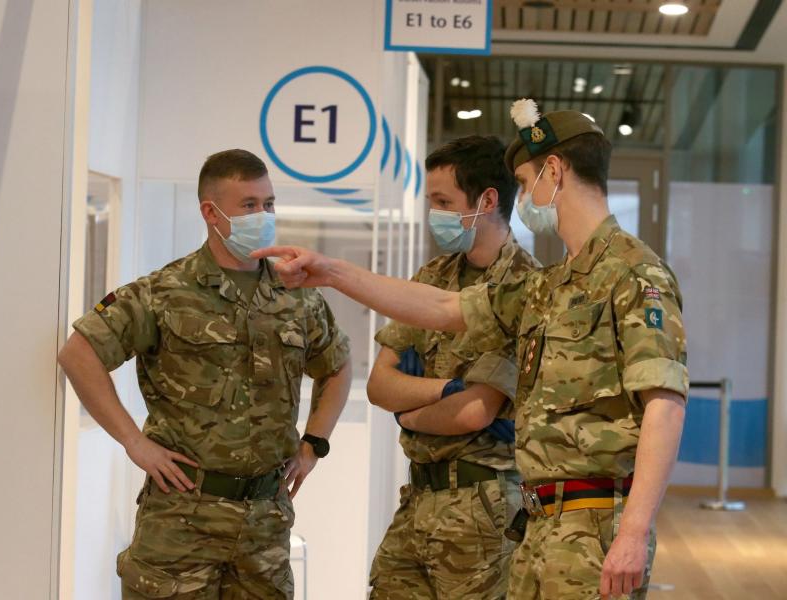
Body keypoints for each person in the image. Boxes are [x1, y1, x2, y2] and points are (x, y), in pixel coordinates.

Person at [253, 102, 687, 600]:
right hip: (539, 521)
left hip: (595, 524)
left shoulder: (634, 272)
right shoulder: (549, 287)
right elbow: (440, 306)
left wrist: (633, 531)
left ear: (554, 170)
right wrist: (329, 271)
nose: (522, 198)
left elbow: (664, 406)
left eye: (523, 184)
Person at [58, 149, 352, 599]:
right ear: (210, 213)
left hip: (264, 520)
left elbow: (337, 365)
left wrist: (314, 443)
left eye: (268, 203)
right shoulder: (164, 292)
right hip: (182, 518)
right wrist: (135, 443)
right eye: (249, 205)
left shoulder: (298, 296)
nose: (263, 215)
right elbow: (79, 354)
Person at [366, 136, 539, 599]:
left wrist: (410, 410)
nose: (434, 214)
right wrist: (449, 387)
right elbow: (379, 385)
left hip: (483, 509)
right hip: (419, 498)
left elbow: (475, 413)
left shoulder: (525, 288)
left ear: (486, 201)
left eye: (444, 202)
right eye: (431, 202)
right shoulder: (432, 278)